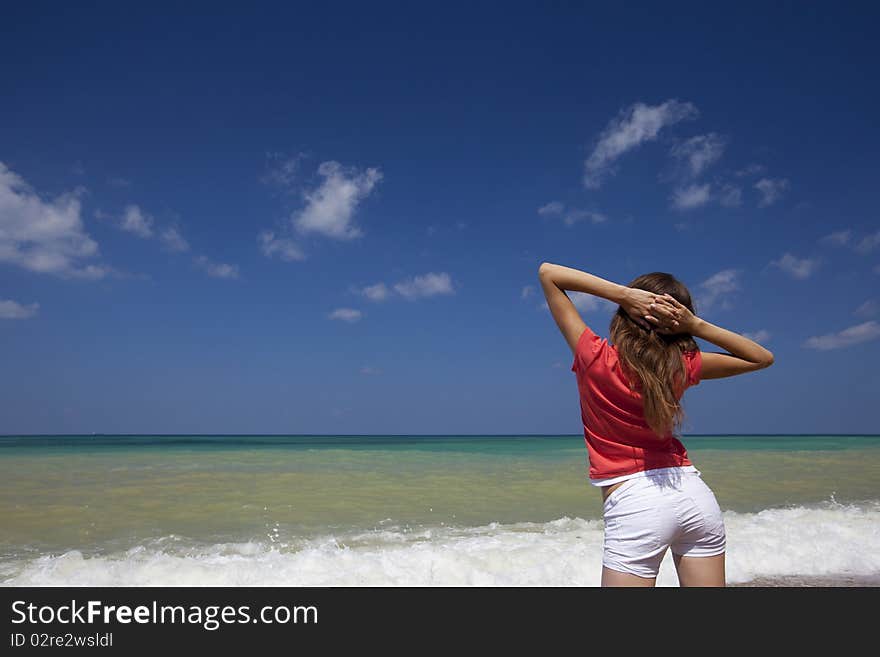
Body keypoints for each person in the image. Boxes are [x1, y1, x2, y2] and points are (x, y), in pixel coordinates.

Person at [538, 262, 774, 587]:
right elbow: (761, 358)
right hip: (694, 496)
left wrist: (624, 295)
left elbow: (548, 273)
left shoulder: (595, 357)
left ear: (627, 313)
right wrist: (695, 324)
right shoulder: (682, 367)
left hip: (635, 504)